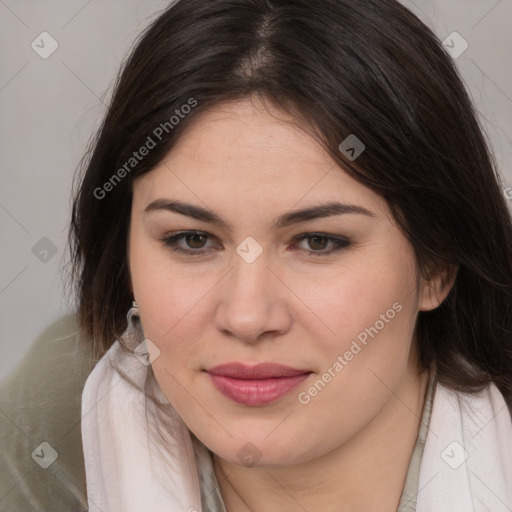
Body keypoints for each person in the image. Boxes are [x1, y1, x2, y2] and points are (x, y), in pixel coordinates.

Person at [1, 0, 511, 511]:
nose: (247, 317)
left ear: (437, 264)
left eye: (318, 242)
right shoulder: (59, 412)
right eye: (192, 240)